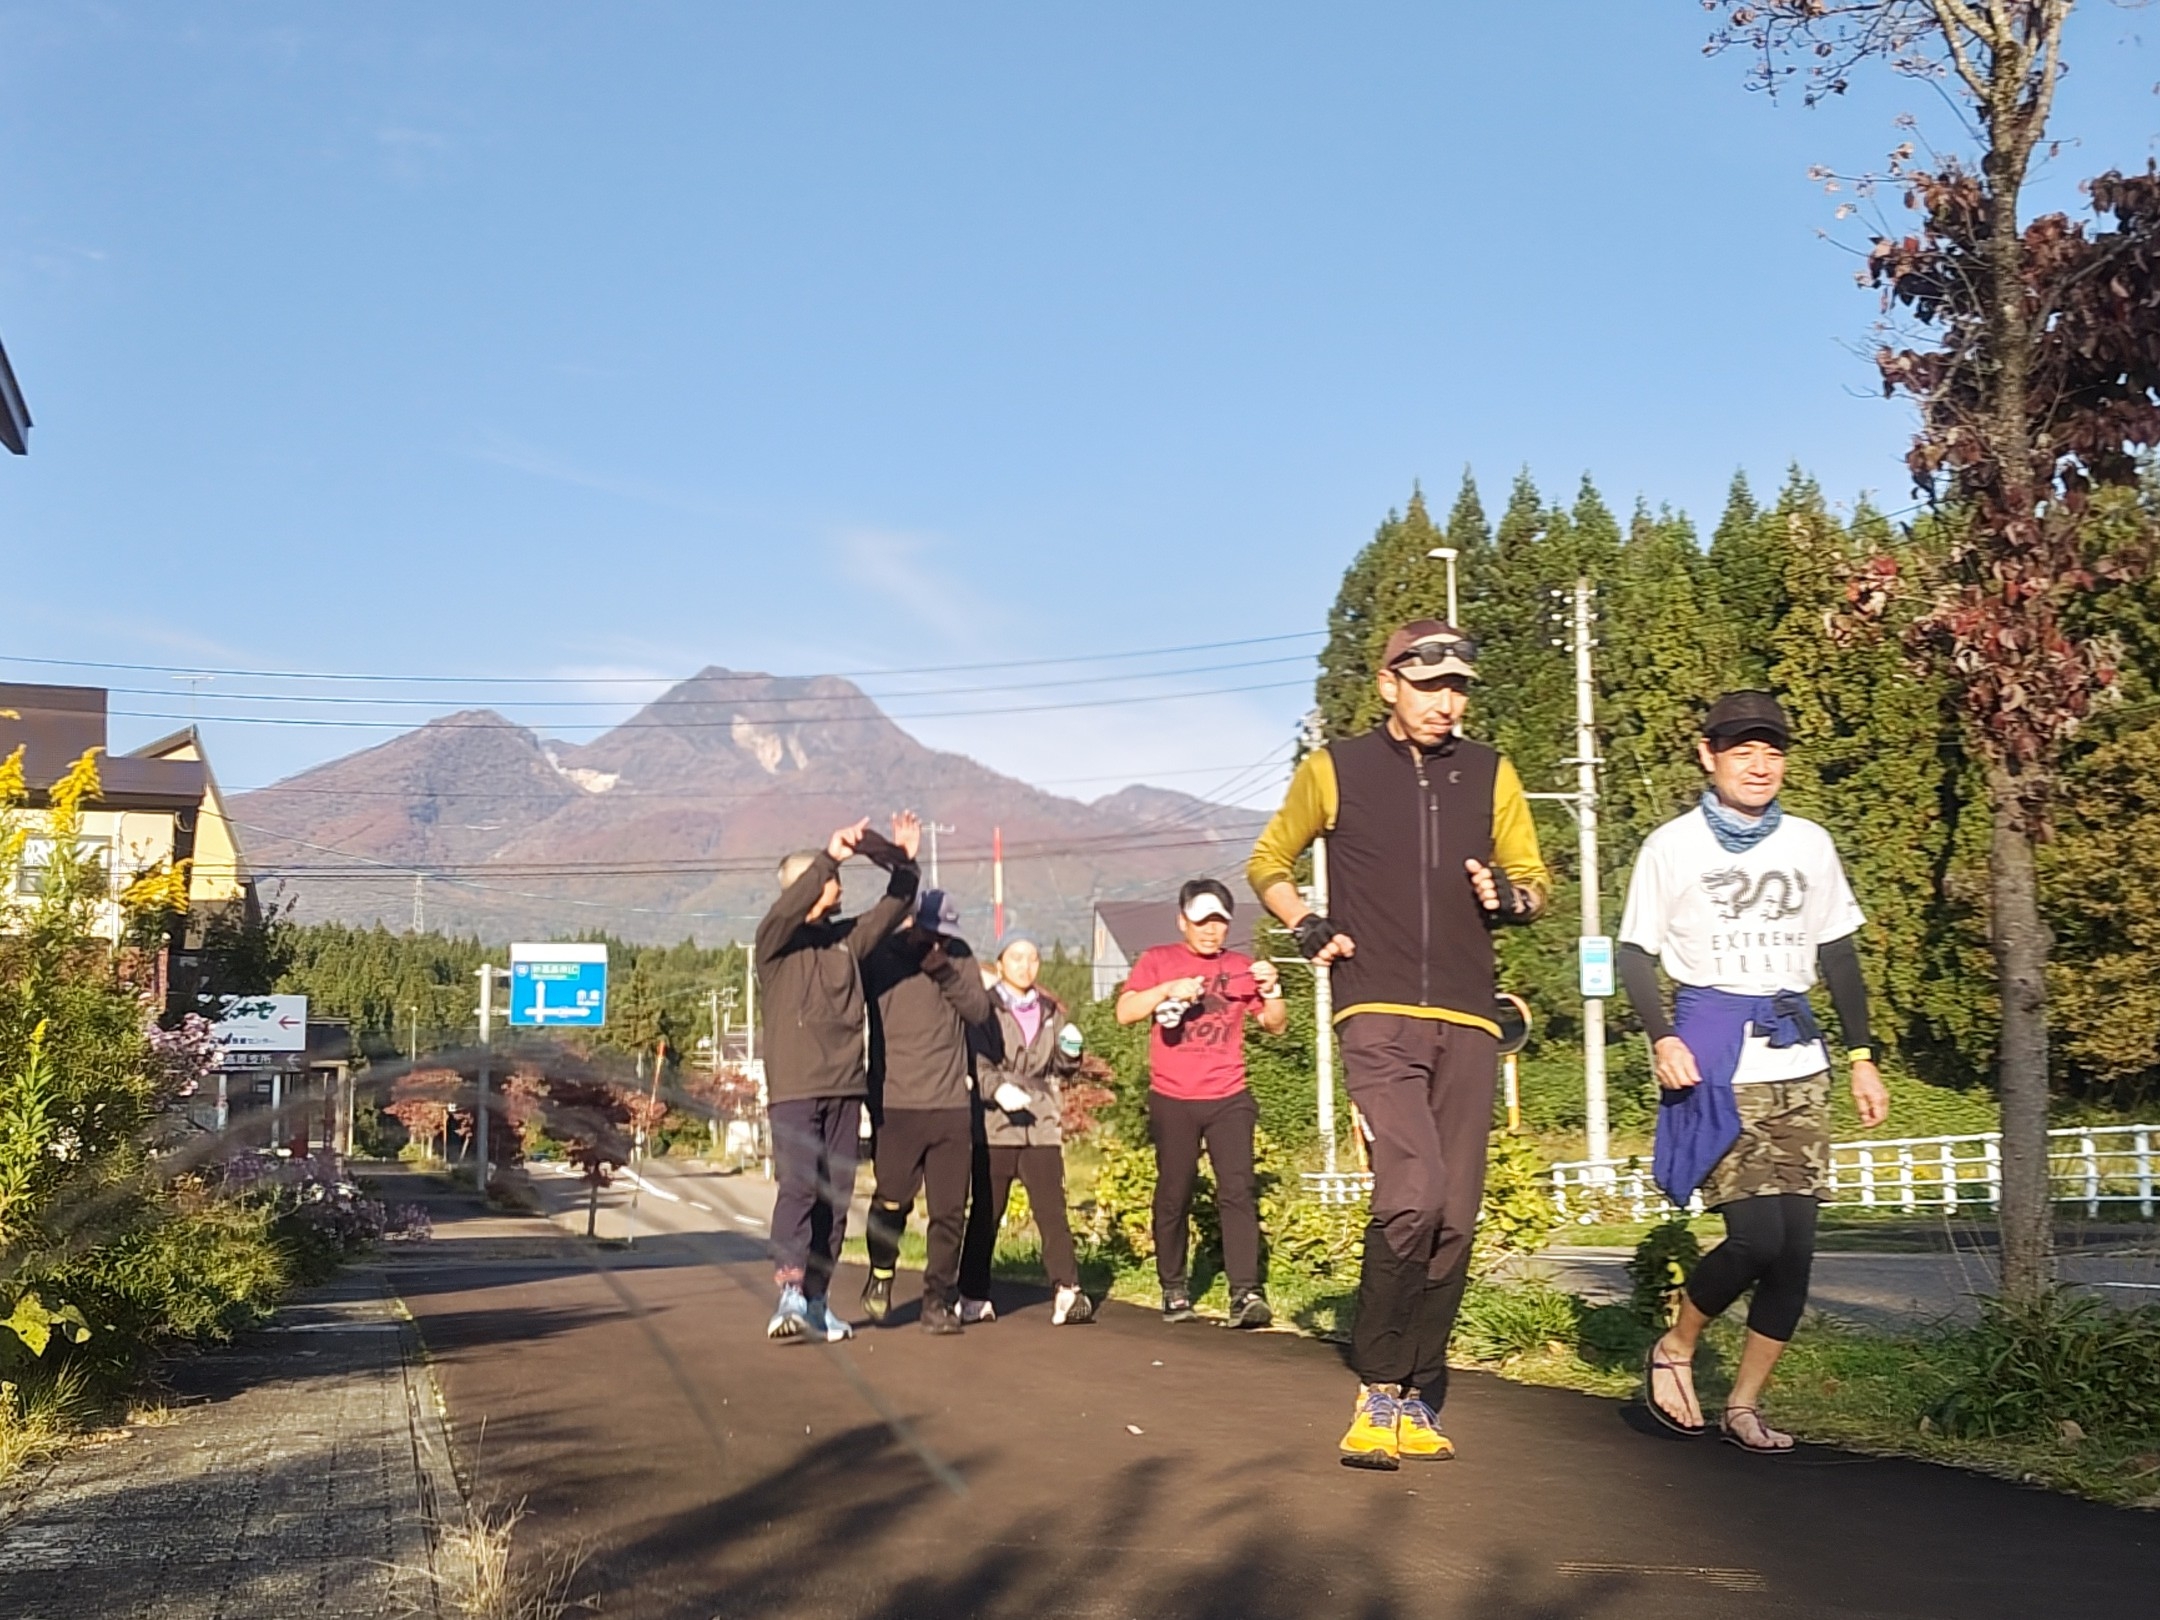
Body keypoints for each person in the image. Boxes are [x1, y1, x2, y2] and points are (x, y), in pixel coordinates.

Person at [1249, 620, 1549, 1470]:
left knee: (1455, 1213)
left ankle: (1418, 1391)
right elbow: (1268, 861)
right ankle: (1377, 1387)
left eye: (1457, 688)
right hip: (1375, 1010)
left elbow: (1535, 880)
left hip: (1469, 1017)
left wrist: (1511, 898)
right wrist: (1305, 923)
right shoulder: (1335, 769)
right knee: (1411, 1191)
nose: (1445, 702)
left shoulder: (1490, 772)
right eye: (1428, 686)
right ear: (1388, 684)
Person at [1618, 691, 1889, 1452]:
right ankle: (1676, 1345)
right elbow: (1635, 953)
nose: (1760, 765)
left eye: (1772, 750)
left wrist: (1862, 1058)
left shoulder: (1810, 843)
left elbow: (1838, 953)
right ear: (1708, 755)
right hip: (1715, 1058)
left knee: (1795, 1250)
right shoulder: (1672, 846)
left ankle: (1743, 1405)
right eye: (1743, 750)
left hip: (1799, 1058)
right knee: (1756, 1238)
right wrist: (1662, 1038)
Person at [755, 812, 922, 1342]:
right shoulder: (774, 944)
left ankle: (818, 1300)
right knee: (799, 1188)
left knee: (835, 1197)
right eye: (833, 880)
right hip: (796, 1087)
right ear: (807, 887)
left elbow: (898, 902)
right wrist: (829, 856)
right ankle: (789, 1290)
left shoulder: (847, 941)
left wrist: (901, 858)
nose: (840, 886)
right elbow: (788, 910)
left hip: (846, 1086)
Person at [1115, 878, 1287, 1329]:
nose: (1210, 931)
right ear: (1182, 921)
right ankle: (1173, 1288)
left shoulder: (1241, 966)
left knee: (1238, 1190)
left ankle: (1245, 1292)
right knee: (1175, 1191)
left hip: (1229, 1095)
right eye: (1201, 921)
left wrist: (1272, 990)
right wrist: (1166, 990)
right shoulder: (1158, 960)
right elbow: (1125, 1012)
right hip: (1173, 1097)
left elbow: (1275, 1025)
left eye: (1219, 922)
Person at [860, 888, 996, 1334]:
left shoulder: (958, 956)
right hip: (896, 1103)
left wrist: (941, 968)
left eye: (945, 934)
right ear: (911, 922)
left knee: (950, 1211)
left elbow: (978, 1010)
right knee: (891, 1200)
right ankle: (881, 1272)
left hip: (951, 1104)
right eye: (931, 933)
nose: (938, 941)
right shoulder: (881, 956)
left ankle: (937, 1301)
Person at [957, 932, 1094, 1325]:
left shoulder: (1050, 1010)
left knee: (1052, 1211)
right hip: (995, 1126)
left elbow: (1060, 1068)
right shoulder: (983, 1008)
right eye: (1016, 957)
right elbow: (976, 1061)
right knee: (987, 1212)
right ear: (1000, 963)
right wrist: (997, 1089)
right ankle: (972, 1294)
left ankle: (1068, 1290)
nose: (1025, 965)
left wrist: (1071, 1053)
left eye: (1032, 958)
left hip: (1041, 1122)